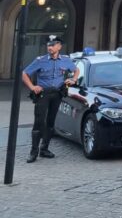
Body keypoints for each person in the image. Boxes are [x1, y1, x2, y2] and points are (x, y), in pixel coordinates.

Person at [21, 35, 79, 163]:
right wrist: (32, 87)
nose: (50, 47)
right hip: (43, 94)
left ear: (59, 46)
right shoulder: (40, 60)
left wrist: (73, 79)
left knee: (51, 122)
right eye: (48, 45)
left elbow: (76, 70)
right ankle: (33, 152)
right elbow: (25, 73)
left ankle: (44, 149)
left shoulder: (65, 60)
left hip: (57, 94)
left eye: (52, 45)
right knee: (39, 122)